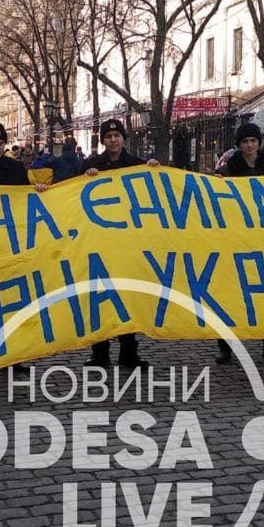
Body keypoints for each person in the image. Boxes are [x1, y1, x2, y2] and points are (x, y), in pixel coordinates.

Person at [81, 119, 162, 368]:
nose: (113, 140)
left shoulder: (136, 165)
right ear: (103, 140)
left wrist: (154, 171)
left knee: (127, 295)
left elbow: (152, 194)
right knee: (100, 296)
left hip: (128, 243)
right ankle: (100, 353)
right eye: (108, 136)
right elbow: (71, 195)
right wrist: (84, 179)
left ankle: (129, 352)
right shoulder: (91, 165)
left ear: (123, 139)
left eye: (117, 136)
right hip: (100, 241)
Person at [215, 122, 264, 365]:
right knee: (230, 294)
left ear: (258, 143)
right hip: (235, 241)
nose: (249, 145)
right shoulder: (227, 171)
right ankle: (225, 345)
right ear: (239, 144)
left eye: (253, 141)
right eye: (245, 141)